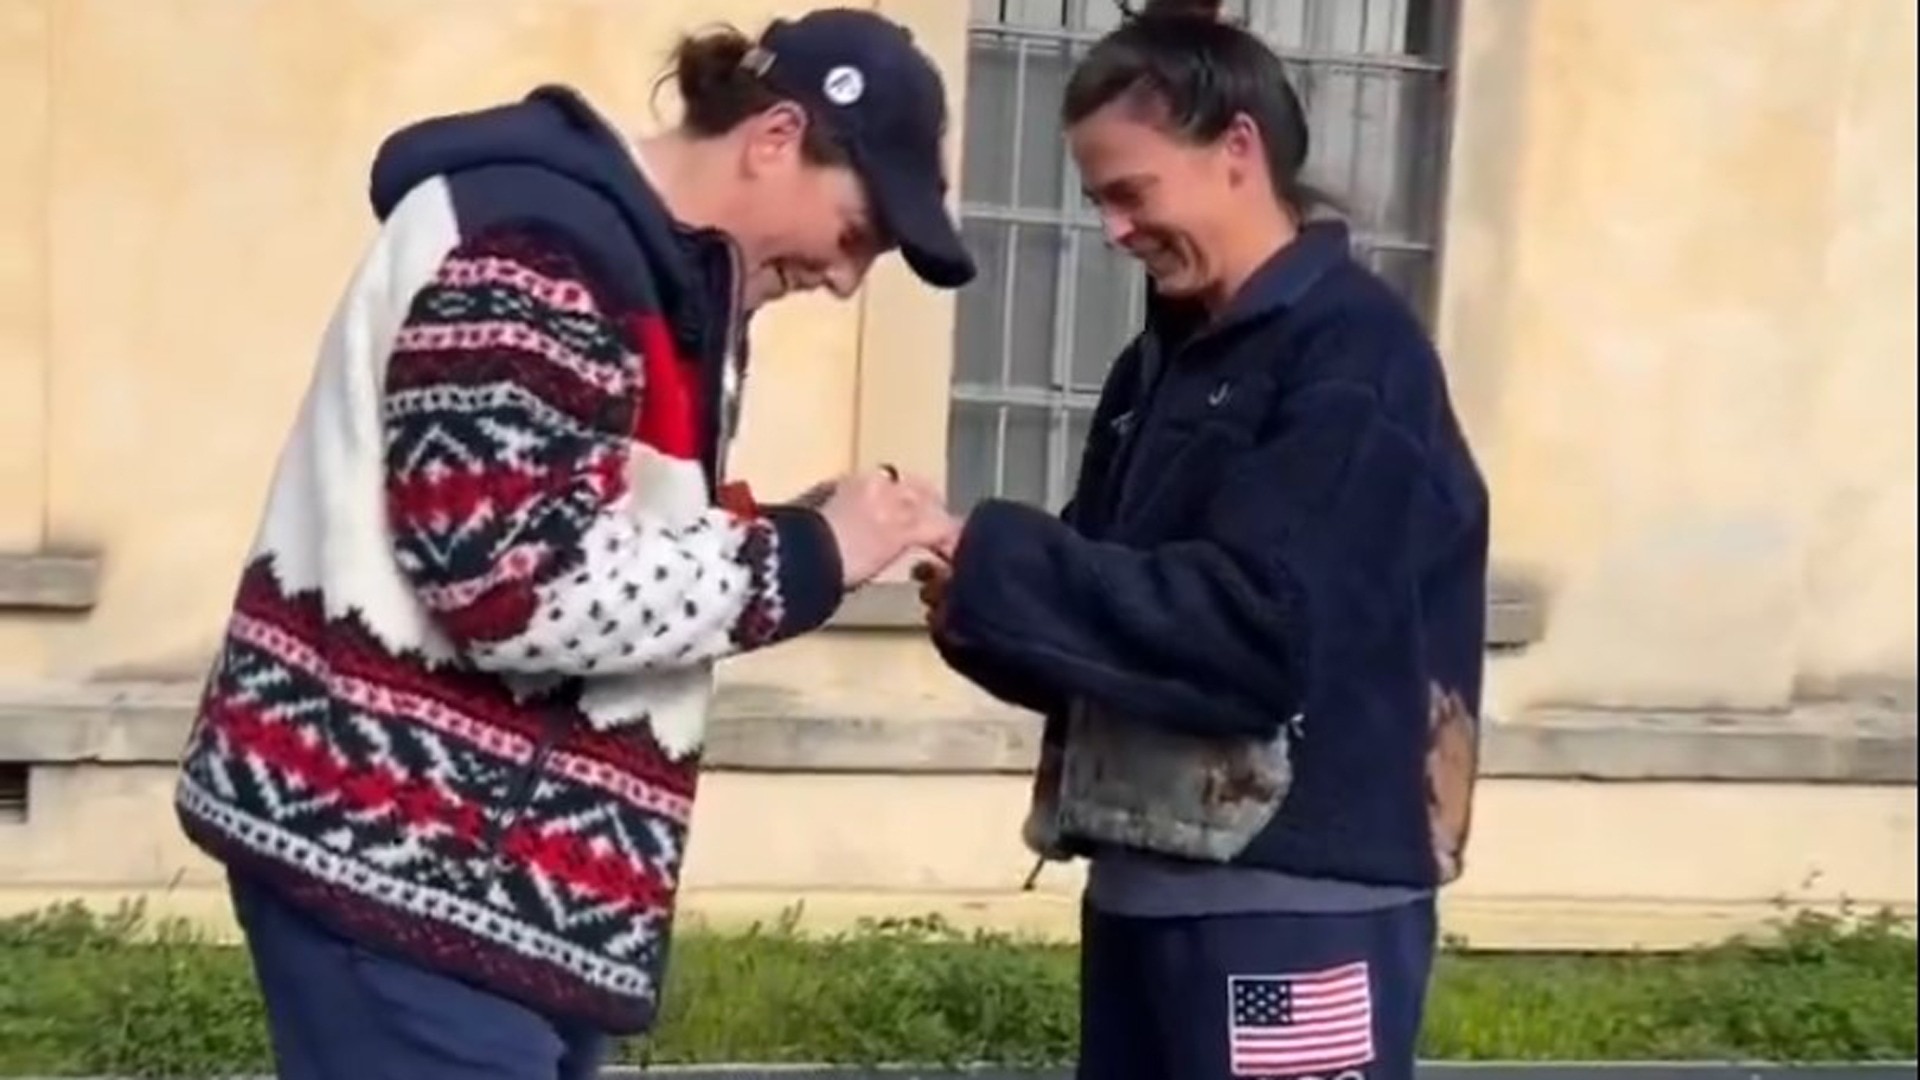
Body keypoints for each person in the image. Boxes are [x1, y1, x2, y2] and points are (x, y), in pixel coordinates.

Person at [172, 8, 969, 1079]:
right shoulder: (539, 253)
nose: (845, 277)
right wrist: (812, 557)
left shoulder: (642, 270)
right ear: (775, 138)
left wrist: (784, 528)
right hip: (404, 871)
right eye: (861, 230)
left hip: (476, 888)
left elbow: (581, 530)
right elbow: (507, 585)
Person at [916, 1, 1488, 1078]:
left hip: (1295, 905)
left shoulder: (1356, 357)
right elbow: (1114, 620)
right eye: (1097, 200)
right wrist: (973, 607)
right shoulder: (1158, 365)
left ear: (1237, 150)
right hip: (1143, 886)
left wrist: (1001, 560)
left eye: (1131, 193)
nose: (1113, 230)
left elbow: (1259, 633)